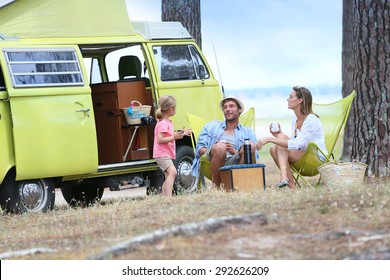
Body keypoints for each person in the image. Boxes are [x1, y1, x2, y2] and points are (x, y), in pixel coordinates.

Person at [256, 86, 327, 189]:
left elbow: (298, 144)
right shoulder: (295, 119)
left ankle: (284, 175)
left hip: (315, 161)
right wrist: (278, 136)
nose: (287, 99)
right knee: (274, 147)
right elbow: (295, 143)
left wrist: (269, 139)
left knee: (277, 142)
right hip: (302, 156)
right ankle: (291, 185)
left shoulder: (312, 119)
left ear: (300, 100)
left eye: (290, 97)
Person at [192, 96, 257, 188]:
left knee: (250, 146)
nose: (227, 109)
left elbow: (255, 155)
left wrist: (236, 152)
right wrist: (213, 148)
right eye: (225, 107)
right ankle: (217, 188)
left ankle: (239, 185)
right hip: (212, 160)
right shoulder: (211, 126)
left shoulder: (247, 132)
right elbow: (199, 149)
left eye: (231, 106)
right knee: (220, 147)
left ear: (239, 110)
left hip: (236, 160)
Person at [153, 95, 191, 196]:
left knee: (168, 174)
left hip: (165, 153)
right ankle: (168, 196)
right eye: (175, 108)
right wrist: (175, 137)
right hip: (161, 153)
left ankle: (164, 196)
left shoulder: (167, 122)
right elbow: (160, 140)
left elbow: (169, 134)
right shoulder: (163, 124)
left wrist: (182, 132)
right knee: (173, 172)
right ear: (171, 109)